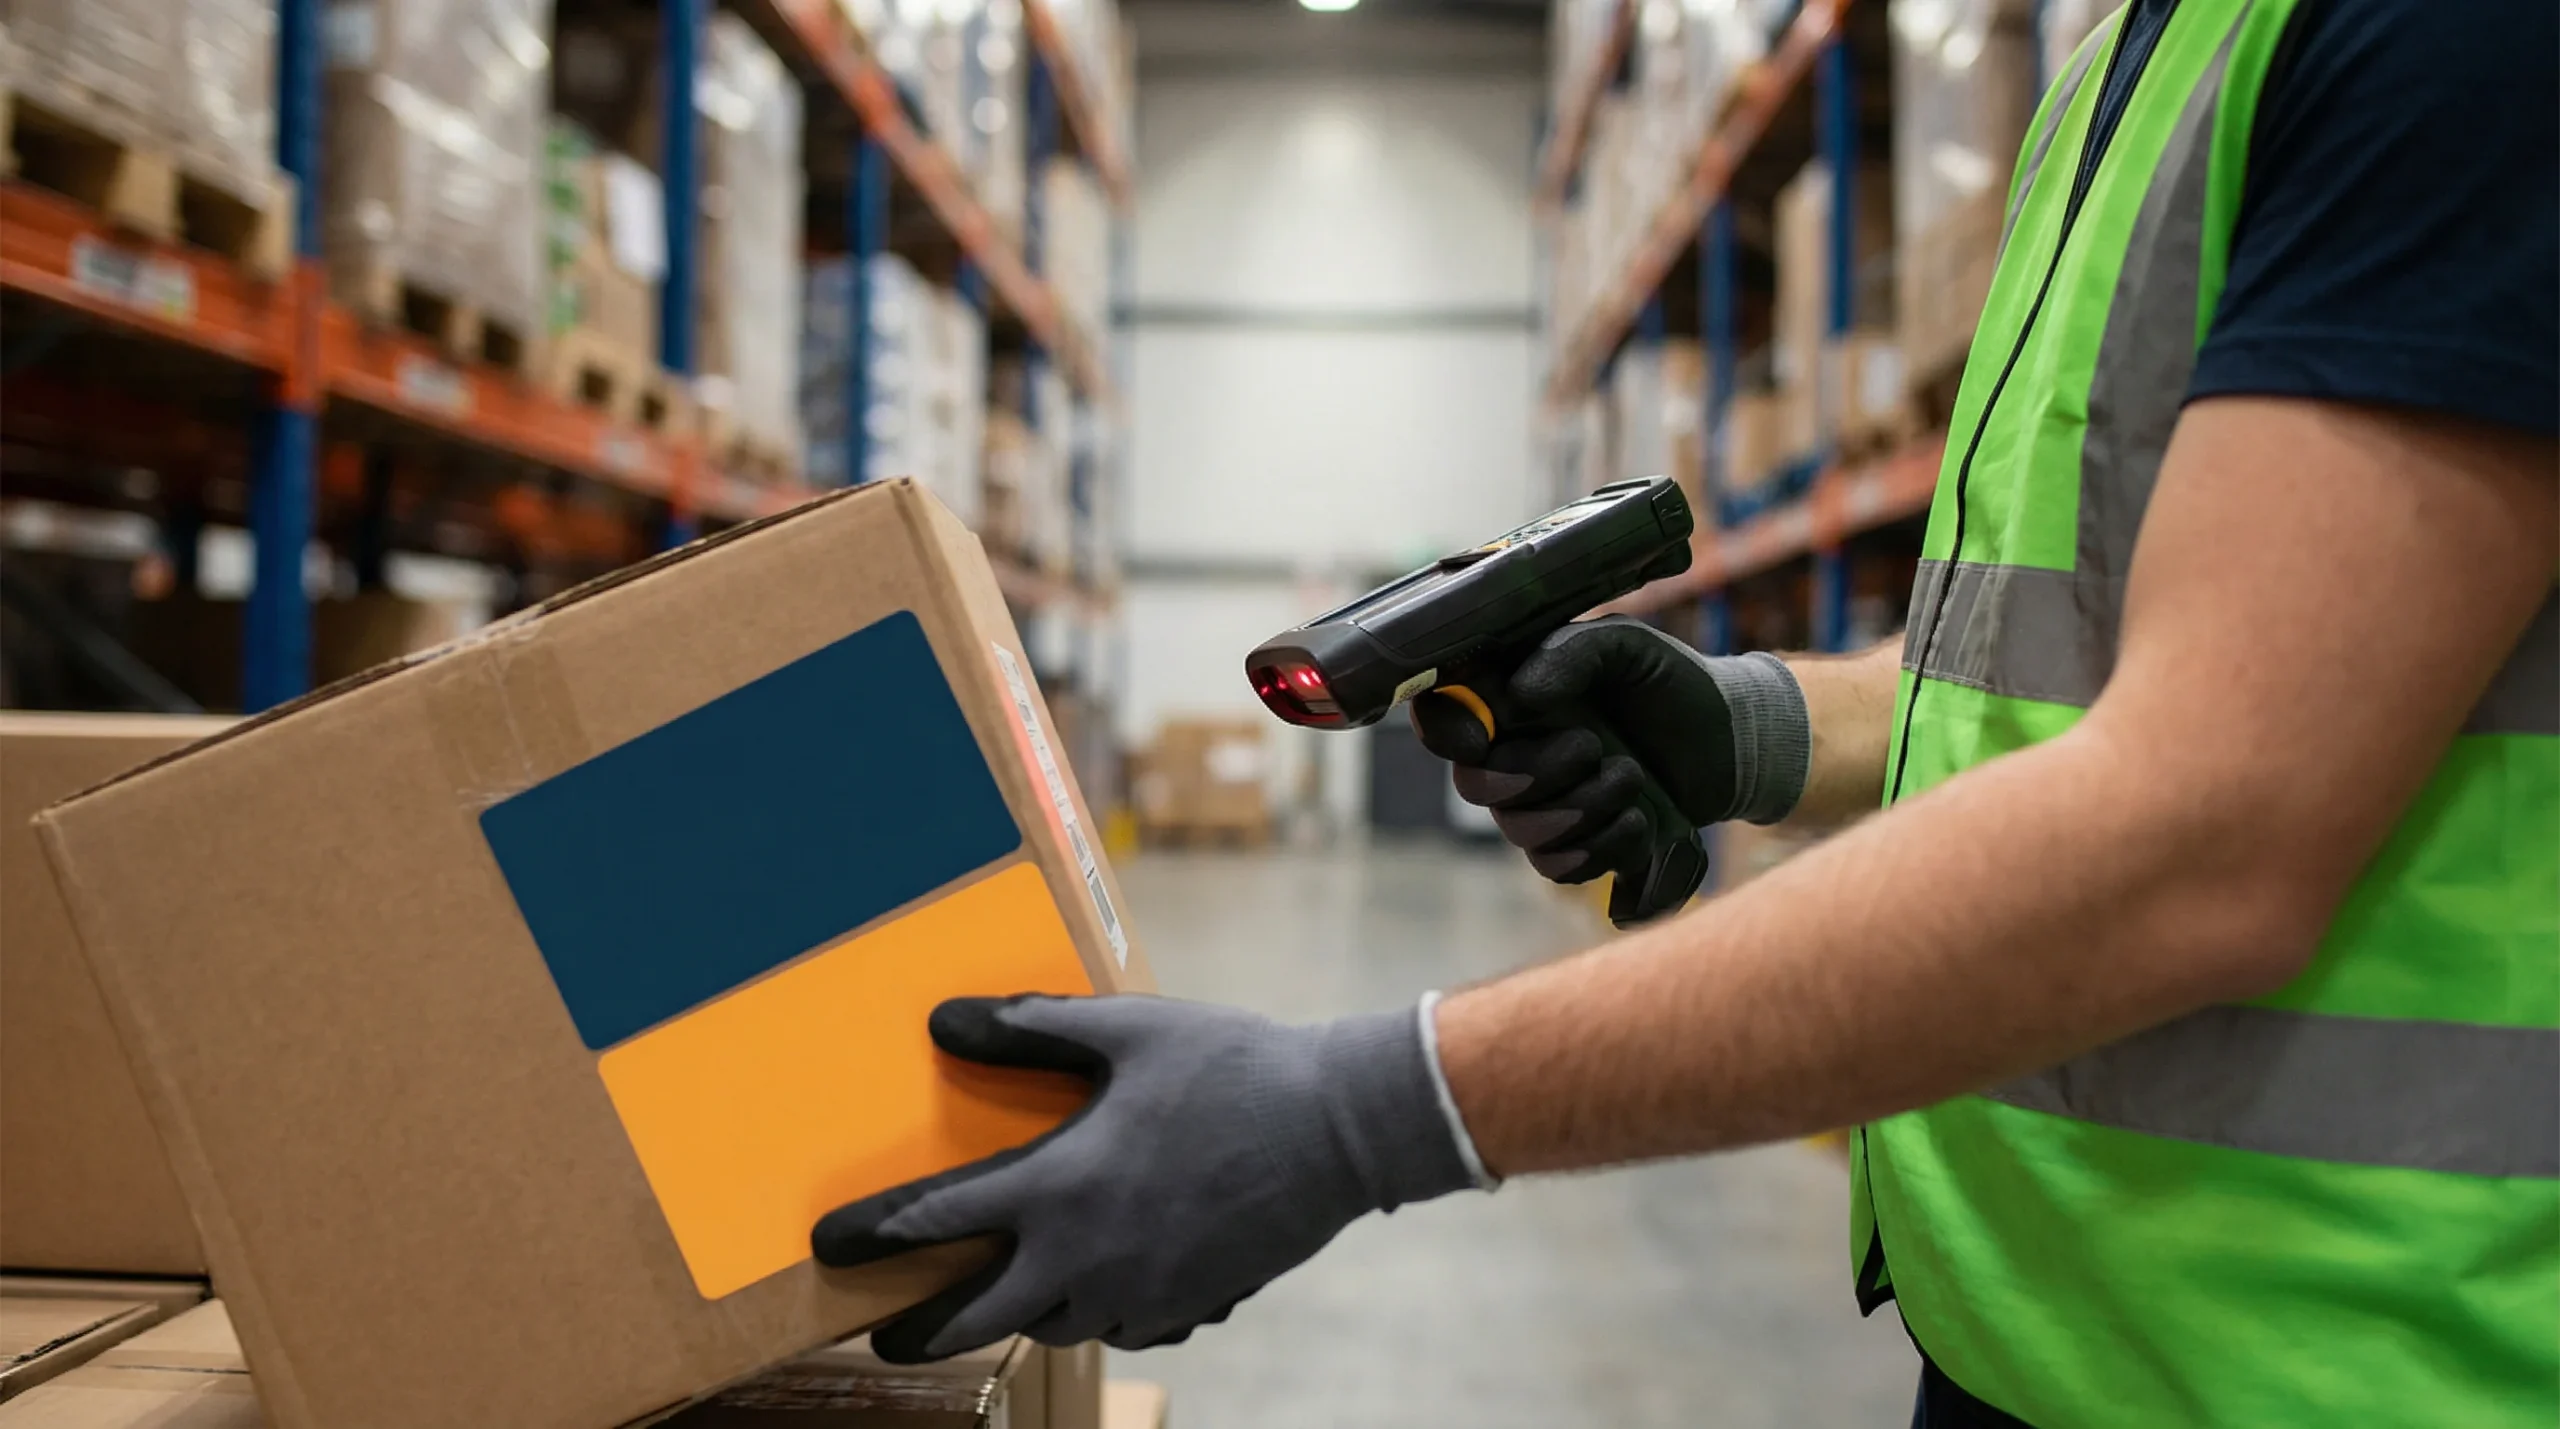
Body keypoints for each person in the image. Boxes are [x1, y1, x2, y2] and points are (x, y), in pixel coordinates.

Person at [809, 0, 2558, 1421]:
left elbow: (2214, 829)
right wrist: (1748, 726)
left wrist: (1364, 1112)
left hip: (2353, 1363)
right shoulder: (2128, 66)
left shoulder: (2443, 41)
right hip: (2053, 1338)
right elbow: (2086, 660)